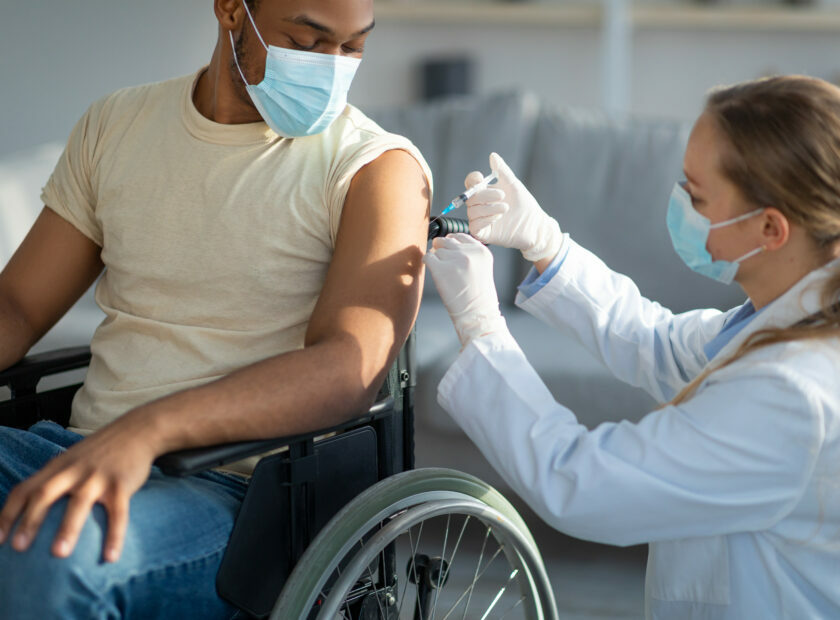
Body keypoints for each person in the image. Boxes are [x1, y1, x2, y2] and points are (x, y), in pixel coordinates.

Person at [0, 0, 431, 617]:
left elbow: (348, 367)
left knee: (51, 555)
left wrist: (147, 432)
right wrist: (117, 441)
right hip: (76, 451)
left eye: (352, 47)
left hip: (236, 496)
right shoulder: (117, 124)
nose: (332, 68)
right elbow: (16, 305)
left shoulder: (377, 169)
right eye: (307, 44)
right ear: (231, 10)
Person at [423, 75, 840, 619]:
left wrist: (481, 326)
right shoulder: (787, 312)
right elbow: (659, 344)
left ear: (770, 228)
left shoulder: (794, 393)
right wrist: (546, 243)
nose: (681, 206)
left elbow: (577, 482)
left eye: (697, 195)